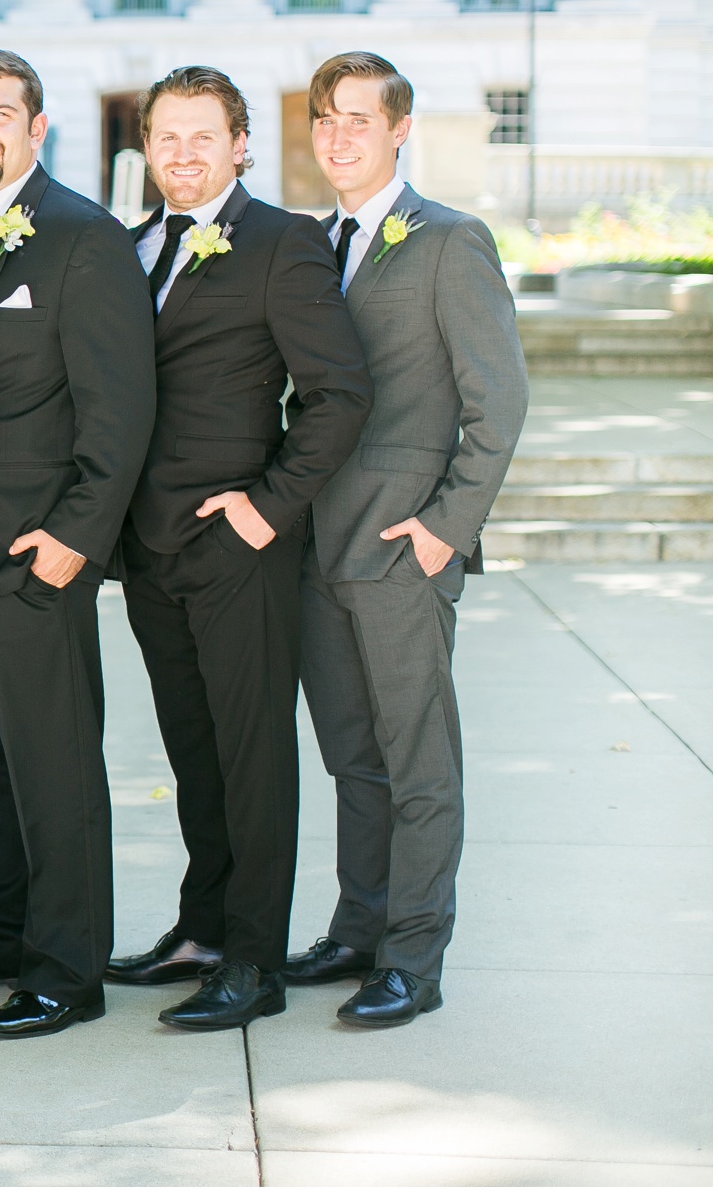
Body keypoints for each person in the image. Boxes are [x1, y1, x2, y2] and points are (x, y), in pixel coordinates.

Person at [106, 66, 372, 1031]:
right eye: (166, 137)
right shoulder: (130, 247)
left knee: (254, 756)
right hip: (146, 548)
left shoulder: (284, 244)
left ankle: (252, 960)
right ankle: (203, 927)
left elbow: (339, 394)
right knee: (196, 754)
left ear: (241, 144)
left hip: (239, 547)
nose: (182, 154)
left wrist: (269, 507)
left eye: (202, 137)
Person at [0, 50, 155, 1039]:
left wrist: (74, 539)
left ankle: (65, 968)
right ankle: (2, 929)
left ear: (35, 127)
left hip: (34, 557)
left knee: (52, 766)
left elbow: (120, 408)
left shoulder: (80, 238)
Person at [287, 52, 528, 1027]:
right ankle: (358, 926)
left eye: (357, 118)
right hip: (313, 551)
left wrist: (443, 529)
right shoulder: (307, 244)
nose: (338, 135)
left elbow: (496, 401)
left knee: (417, 759)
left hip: (398, 549)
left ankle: (413, 957)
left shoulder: (446, 241)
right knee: (352, 757)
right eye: (323, 119)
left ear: (397, 129)